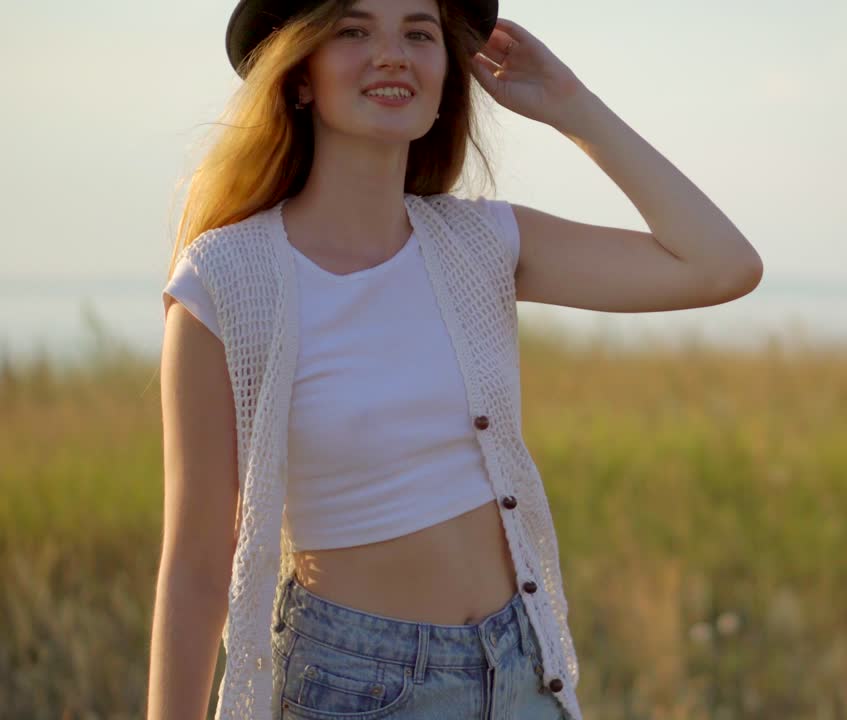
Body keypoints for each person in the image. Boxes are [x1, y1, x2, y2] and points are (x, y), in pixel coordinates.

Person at [147, 0, 763, 717]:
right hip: (355, 684)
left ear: (447, 75)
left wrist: (571, 105)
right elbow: (196, 566)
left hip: (522, 667)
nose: (393, 53)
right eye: (354, 31)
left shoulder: (480, 244)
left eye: (419, 32)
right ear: (301, 76)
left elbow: (722, 265)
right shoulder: (226, 280)